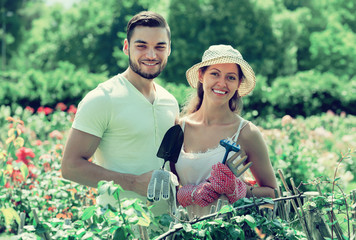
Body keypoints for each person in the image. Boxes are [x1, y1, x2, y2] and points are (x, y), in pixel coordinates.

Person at [61, 11, 179, 215]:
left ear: (169, 49)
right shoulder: (102, 98)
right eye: (141, 46)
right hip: (119, 227)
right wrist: (132, 183)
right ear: (126, 47)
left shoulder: (170, 101)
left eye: (160, 47)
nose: (151, 55)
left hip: (169, 228)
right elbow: (70, 167)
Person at [172, 44, 277, 218]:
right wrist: (187, 193)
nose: (222, 83)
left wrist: (238, 189)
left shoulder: (246, 133)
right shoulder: (179, 129)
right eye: (214, 73)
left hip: (230, 232)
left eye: (231, 77)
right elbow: (169, 190)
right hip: (184, 232)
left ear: (238, 84)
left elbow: (274, 194)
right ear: (201, 75)